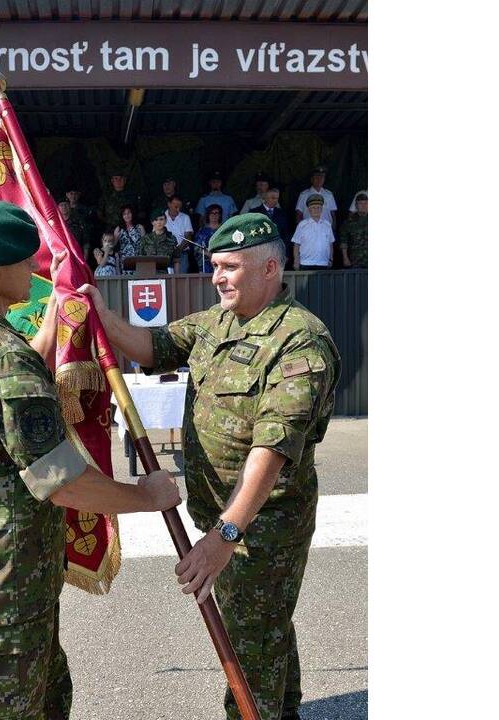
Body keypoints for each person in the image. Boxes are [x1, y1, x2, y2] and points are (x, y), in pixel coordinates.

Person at [0, 201, 181, 720]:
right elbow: (59, 482)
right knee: (8, 706)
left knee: (40, 694)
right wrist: (145, 496)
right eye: (25, 262)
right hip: (12, 575)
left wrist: (55, 325)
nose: (34, 271)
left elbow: (6, 398)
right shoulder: (1, 356)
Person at [78, 212, 341, 720]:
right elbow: (151, 348)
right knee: (264, 630)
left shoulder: (300, 341)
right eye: (215, 265)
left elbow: (273, 450)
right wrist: (99, 314)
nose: (218, 277)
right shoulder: (217, 321)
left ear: (269, 269)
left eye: (230, 267)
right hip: (224, 518)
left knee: (248, 644)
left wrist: (226, 535)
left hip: (263, 527)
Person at [290, 194, 335, 270]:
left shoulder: (327, 225)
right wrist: (296, 261)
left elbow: (330, 243)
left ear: (322, 209)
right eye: (313, 208)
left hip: (323, 263)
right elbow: (296, 244)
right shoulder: (302, 225)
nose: (316, 210)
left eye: (318, 208)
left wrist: (330, 259)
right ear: (309, 210)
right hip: (305, 263)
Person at [163, 195, 195, 273]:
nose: (178, 209)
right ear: (169, 204)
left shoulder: (185, 217)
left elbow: (188, 237)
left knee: (181, 280)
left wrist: (178, 250)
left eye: (179, 206)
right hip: (165, 254)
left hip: (182, 253)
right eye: (175, 206)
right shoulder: (162, 217)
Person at [338, 191, 368, 268]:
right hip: (355, 261)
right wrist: (345, 258)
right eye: (360, 203)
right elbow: (343, 241)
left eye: (365, 203)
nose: (363, 206)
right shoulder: (348, 222)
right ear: (356, 205)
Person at [113, 204, 145, 271]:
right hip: (125, 261)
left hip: (138, 259)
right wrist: (117, 237)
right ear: (122, 216)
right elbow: (113, 245)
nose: (127, 215)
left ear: (132, 214)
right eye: (124, 214)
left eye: (129, 213)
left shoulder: (139, 227)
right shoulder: (119, 229)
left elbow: (145, 244)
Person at [192, 204, 223, 274]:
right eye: (211, 213)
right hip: (205, 265)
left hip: (222, 263)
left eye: (216, 213)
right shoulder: (202, 232)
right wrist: (209, 254)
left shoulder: (224, 230)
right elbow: (196, 248)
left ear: (220, 215)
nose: (214, 215)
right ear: (208, 215)